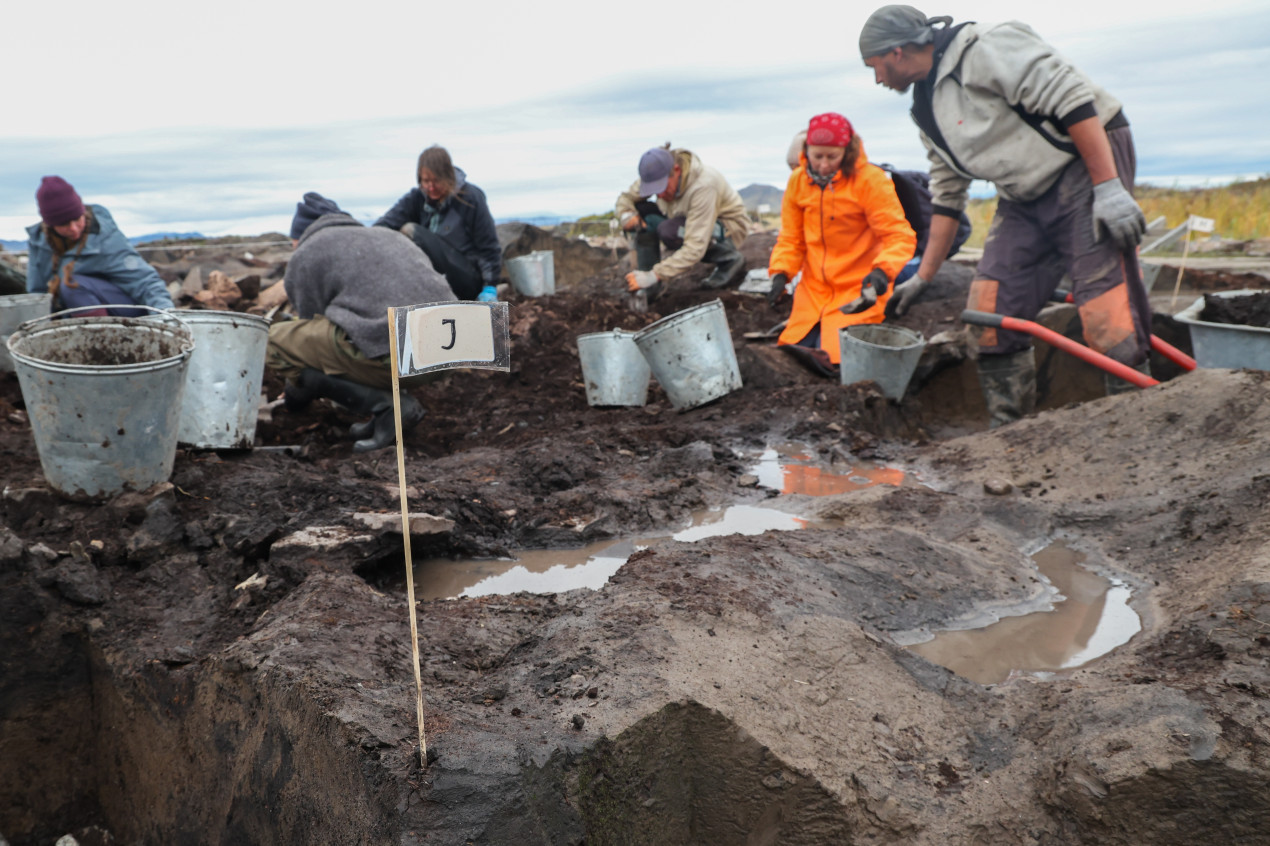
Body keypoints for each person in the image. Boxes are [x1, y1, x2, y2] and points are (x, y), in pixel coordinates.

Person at [859, 5, 1151, 426]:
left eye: (876, 66)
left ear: (898, 51)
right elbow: (947, 193)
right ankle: (1010, 438)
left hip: (1081, 165)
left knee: (1106, 311)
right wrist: (923, 276)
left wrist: (1107, 187)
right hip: (1022, 194)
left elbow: (1071, 98)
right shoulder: (925, 108)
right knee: (989, 313)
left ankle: (1137, 430)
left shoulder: (984, 47)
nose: (877, 79)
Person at [267, 192, 456, 452]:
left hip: (401, 355)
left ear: (299, 236)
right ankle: (385, 409)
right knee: (354, 334)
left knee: (271, 340)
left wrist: (294, 394)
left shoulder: (307, 254)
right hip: (451, 352)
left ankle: (390, 408)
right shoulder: (387, 236)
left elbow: (310, 336)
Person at [767, 113, 917, 376]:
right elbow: (791, 238)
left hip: (859, 289)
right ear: (806, 152)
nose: (824, 165)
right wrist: (781, 273)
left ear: (847, 152)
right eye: (817, 156)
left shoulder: (871, 180)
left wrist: (883, 271)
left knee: (839, 361)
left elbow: (899, 236)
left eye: (832, 157)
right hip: (813, 291)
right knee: (795, 352)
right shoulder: (797, 181)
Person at [784, 131, 971, 286]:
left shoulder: (868, 185)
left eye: (800, 168)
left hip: (910, 254)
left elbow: (893, 238)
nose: (801, 178)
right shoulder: (826, 188)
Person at [616, 146, 751, 302]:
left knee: (670, 231)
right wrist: (626, 216)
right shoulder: (655, 174)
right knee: (644, 212)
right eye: (654, 190)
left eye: (662, 188)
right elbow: (625, 198)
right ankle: (648, 287)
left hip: (726, 230)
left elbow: (695, 246)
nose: (659, 195)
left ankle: (729, 259)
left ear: (677, 170)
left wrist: (657, 274)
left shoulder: (704, 185)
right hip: (683, 219)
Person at [25, 176, 175, 315]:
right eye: (64, 224)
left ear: (82, 212)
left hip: (125, 312)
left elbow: (144, 282)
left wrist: (165, 317)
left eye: (77, 219)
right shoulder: (39, 243)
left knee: (72, 284)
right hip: (73, 314)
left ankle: (102, 339)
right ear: (51, 225)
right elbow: (38, 294)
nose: (73, 228)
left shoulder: (105, 237)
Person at [374, 145, 502, 302]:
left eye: (436, 181)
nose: (431, 187)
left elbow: (488, 246)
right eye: (426, 181)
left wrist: (490, 286)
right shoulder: (416, 198)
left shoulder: (470, 198)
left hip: (466, 279)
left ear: (448, 177)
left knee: (410, 231)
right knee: (391, 235)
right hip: (432, 277)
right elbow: (384, 225)